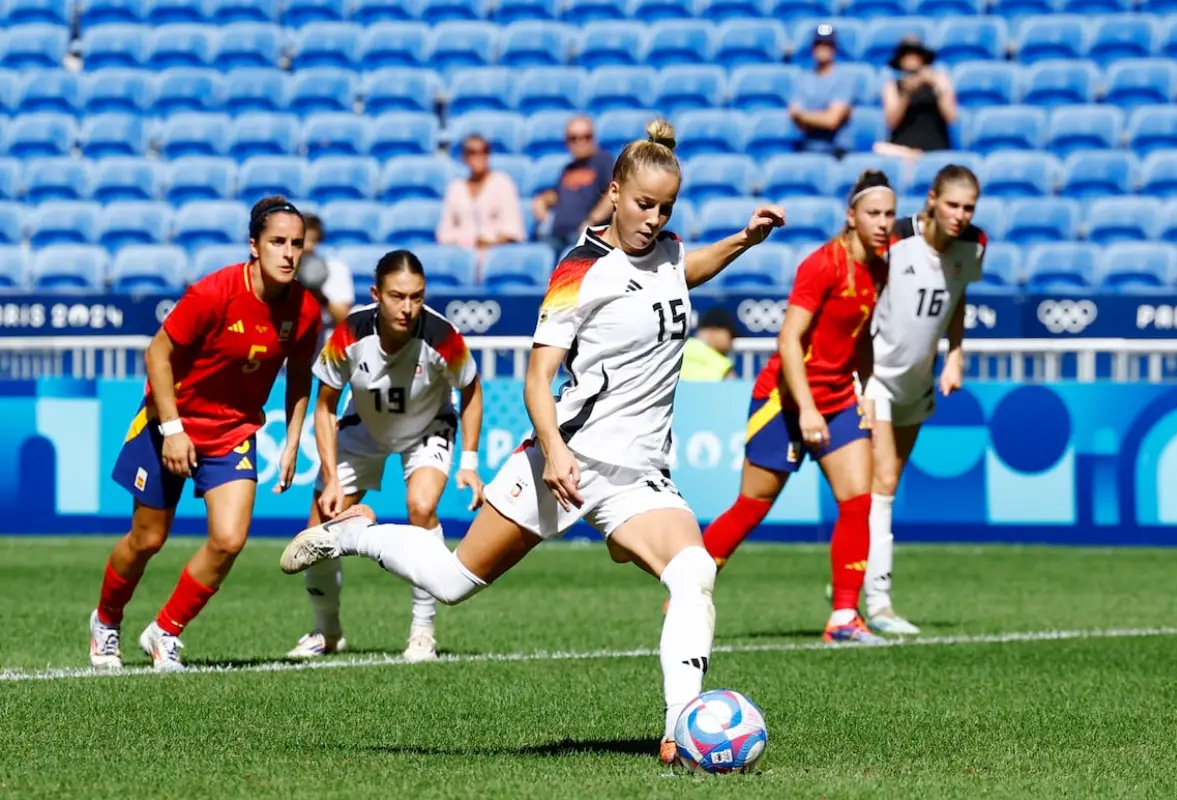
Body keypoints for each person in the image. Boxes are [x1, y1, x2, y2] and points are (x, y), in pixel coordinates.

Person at [280, 120, 785, 765]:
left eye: (665, 208)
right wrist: (555, 448)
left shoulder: (668, 251)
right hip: (564, 458)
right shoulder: (580, 269)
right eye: (643, 204)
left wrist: (743, 240)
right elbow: (538, 374)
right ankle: (352, 533)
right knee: (453, 580)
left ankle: (680, 728)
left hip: (637, 474)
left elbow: (686, 270)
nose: (654, 219)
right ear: (614, 192)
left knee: (694, 571)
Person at [89, 196, 322, 671]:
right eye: (277, 242)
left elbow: (300, 374)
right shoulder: (214, 292)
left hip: (232, 430)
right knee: (148, 539)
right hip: (166, 421)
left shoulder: (305, 310)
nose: (288, 253)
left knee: (230, 539)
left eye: (297, 244)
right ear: (253, 246)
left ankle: (165, 631)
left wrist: (295, 438)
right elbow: (157, 354)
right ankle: (106, 622)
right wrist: (173, 430)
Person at [700, 171, 896, 645]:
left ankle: (844, 618)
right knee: (751, 507)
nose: (884, 223)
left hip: (839, 399)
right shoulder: (822, 265)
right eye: (874, 213)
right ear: (852, 216)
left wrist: (866, 393)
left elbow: (862, 337)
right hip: (784, 399)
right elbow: (788, 340)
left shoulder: (881, 267)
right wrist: (805, 410)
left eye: (890, 214)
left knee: (858, 502)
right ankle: (687, 587)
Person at [287, 249, 484, 664]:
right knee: (318, 532)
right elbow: (324, 406)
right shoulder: (348, 335)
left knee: (421, 506)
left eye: (416, 296)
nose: (408, 307)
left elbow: (470, 389)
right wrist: (332, 477)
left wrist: (469, 461)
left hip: (428, 427)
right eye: (397, 296)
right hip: (363, 427)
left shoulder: (442, 336)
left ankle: (423, 632)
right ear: (377, 294)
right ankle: (327, 631)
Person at [861, 164, 985, 635]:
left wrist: (955, 354)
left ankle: (857, 567)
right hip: (875, 375)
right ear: (932, 198)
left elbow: (958, 298)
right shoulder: (893, 237)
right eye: (953, 204)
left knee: (884, 486)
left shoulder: (974, 244)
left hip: (918, 380)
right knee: (884, 481)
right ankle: (880, 601)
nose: (960, 215)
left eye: (969, 207)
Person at [533, 116, 615, 254]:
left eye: (586, 137)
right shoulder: (568, 168)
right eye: (574, 138)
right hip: (555, 236)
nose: (580, 142)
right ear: (567, 142)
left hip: (582, 237)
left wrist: (592, 220)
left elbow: (614, 193)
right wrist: (541, 201)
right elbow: (557, 195)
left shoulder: (604, 161)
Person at [436, 134, 526, 256]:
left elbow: (513, 229)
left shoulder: (502, 183)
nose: (478, 156)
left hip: (497, 254)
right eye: (472, 152)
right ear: (464, 157)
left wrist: (490, 241)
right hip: (462, 254)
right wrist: (469, 240)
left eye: (483, 151)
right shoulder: (456, 188)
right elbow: (444, 234)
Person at [877, 35, 958, 159]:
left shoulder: (939, 80)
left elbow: (951, 116)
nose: (911, 59)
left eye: (915, 54)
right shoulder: (893, 86)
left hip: (935, 146)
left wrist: (938, 87)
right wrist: (907, 92)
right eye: (906, 55)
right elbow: (891, 121)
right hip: (903, 148)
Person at [790, 23, 854, 155]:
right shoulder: (804, 79)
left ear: (834, 49)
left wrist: (803, 116)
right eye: (819, 45)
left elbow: (832, 120)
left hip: (836, 153)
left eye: (827, 45)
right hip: (808, 150)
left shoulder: (844, 78)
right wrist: (815, 117)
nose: (823, 49)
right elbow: (795, 117)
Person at [299, 214, 356, 331]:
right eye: (299, 241)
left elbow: (344, 320)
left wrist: (320, 296)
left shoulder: (335, 269)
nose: (306, 247)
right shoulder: (279, 270)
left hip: (323, 342)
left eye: (311, 240)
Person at [679, 306, 737, 381]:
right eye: (731, 335)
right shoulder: (722, 365)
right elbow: (732, 386)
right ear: (714, 330)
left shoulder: (677, 349)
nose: (732, 341)